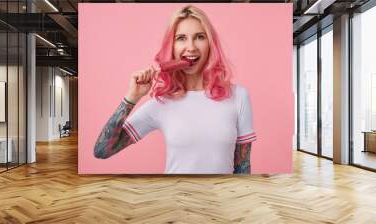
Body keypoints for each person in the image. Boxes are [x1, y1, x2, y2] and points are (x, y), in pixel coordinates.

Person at [93, 5, 256, 174]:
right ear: (172, 47)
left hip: (221, 198)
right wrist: (131, 98)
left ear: (210, 44)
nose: (191, 47)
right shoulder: (161, 103)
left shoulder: (238, 97)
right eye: (181, 38)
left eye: (200, 37)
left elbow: (243, 166)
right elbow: (102, 151)